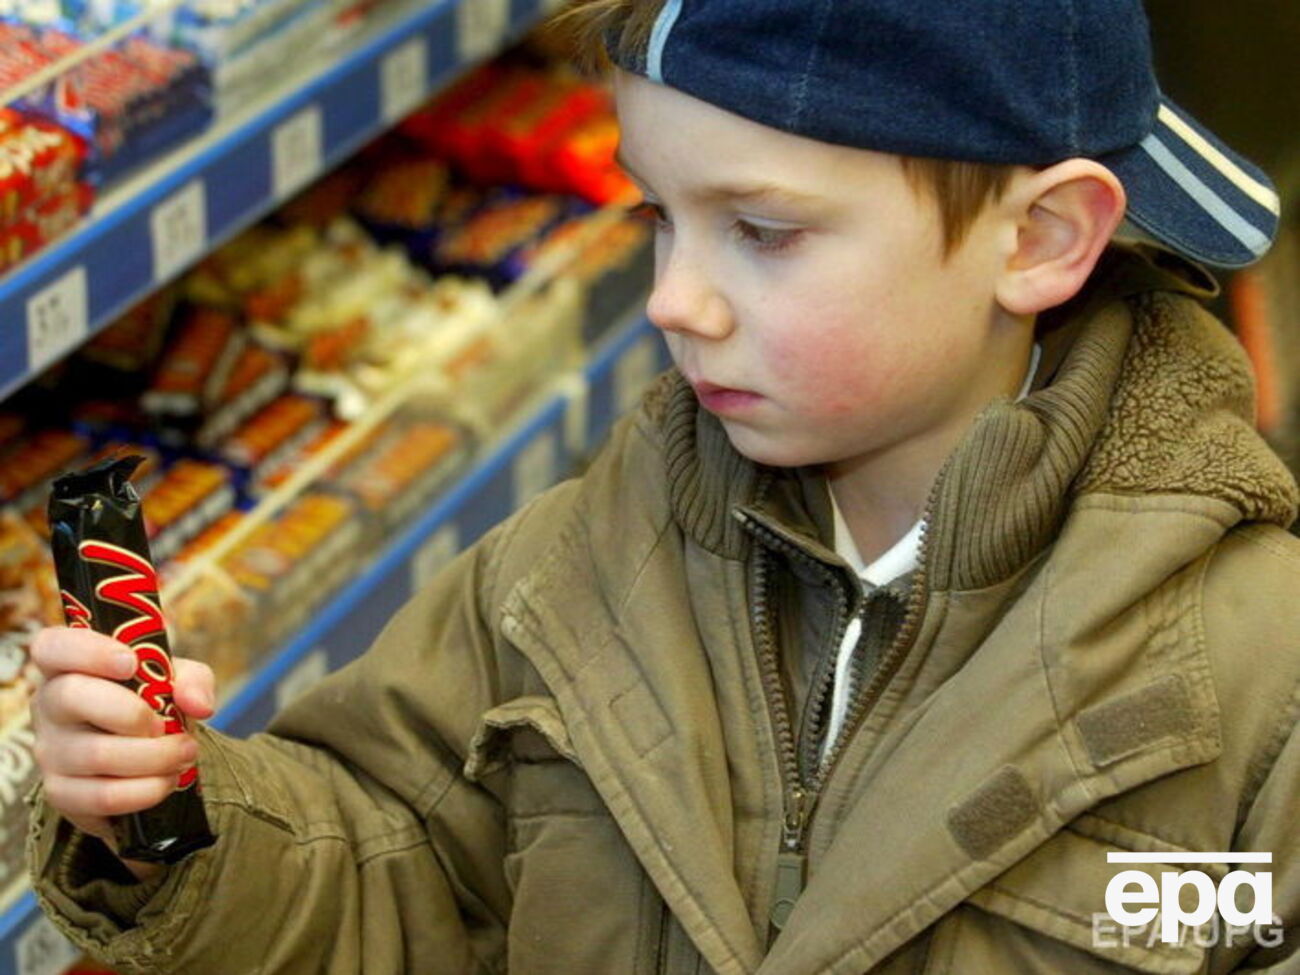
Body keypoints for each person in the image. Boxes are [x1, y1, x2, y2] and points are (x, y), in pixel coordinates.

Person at [26, 0, 1300, 972]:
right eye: (656, 218)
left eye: (762, 233)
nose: (671, 302)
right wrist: (172, 815)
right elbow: (401, 863)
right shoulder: (573, 574)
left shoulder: (1253, 697)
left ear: (1037, 239)